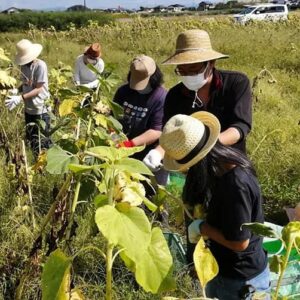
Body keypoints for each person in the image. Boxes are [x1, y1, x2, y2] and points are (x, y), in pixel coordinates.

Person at [159, 111, 270, 300]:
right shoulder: (218, 171)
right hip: (217, 269)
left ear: (199, 161)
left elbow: (239, 242)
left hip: (241, 278)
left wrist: (202, 227)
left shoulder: (236, 184)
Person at [143, 29, 252, 171]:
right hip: (194, 169)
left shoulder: (236, 83)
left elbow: (240, 126)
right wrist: (158, 152)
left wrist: (205, 147)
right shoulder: (175, 95)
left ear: (211, 63)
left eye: (194, 69)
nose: (188, 75)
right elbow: (171, 135)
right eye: (182, 71)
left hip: (231, 164)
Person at [113, 54, 168, 186]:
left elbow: (156, 131)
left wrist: (130, 145)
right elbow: (113, 117)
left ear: (153, 78)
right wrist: (113, 136)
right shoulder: (123, 91)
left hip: (148, 153)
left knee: (149, 188)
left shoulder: (160, 97)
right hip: (123, 148)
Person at [5, 39, 52, 156]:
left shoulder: (40, 66)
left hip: (41, 108)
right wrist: (17, 90)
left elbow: (38, 88)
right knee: (31, 137)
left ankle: (45, 162)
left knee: (44, 138)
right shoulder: (24, 67)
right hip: (29, 108)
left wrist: (20, 98)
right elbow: (26, 83)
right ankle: (34, 158)